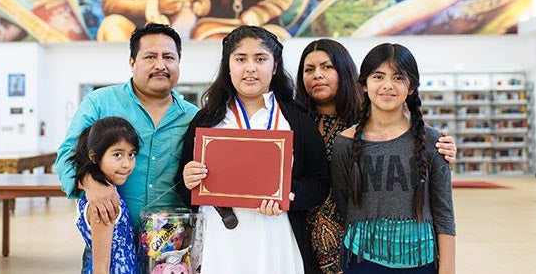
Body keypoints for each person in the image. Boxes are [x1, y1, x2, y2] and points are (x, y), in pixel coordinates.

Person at [295, 39, 458, 273]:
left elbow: (444, 213)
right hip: (358, 256)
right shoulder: (343, 141)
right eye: (378, 76)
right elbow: (346, 203)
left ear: (411, 87)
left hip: (420, 259)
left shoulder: (432, 141)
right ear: (364, 84)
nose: (388, 85)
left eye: (398, 77)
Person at [179, 25, 330, 273]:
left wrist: (288, 194)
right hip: (221, 244)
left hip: (277, 240)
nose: (250, 68)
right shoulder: (206, 121)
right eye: (240, 59)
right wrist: (188, 179)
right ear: (228, 66)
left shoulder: (296, 119)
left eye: (260, 59)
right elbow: (185, 191)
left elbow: (320, 182)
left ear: (275, 66)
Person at [55, 23, 199, 272]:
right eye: (150, 57)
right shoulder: (100, 103)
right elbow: (66, 159)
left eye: (169, 57)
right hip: (111, 241)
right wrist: (92, 183)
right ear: (132, 62)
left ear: (178, 63)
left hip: (171, 249)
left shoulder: (194, 117)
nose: (160, 65)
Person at [68, 116, 140, 274]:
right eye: (117, 155)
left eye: (131, 154)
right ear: (94, 156)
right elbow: (101, 268)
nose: (126, 164)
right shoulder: (104, 203)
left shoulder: (106, 191)